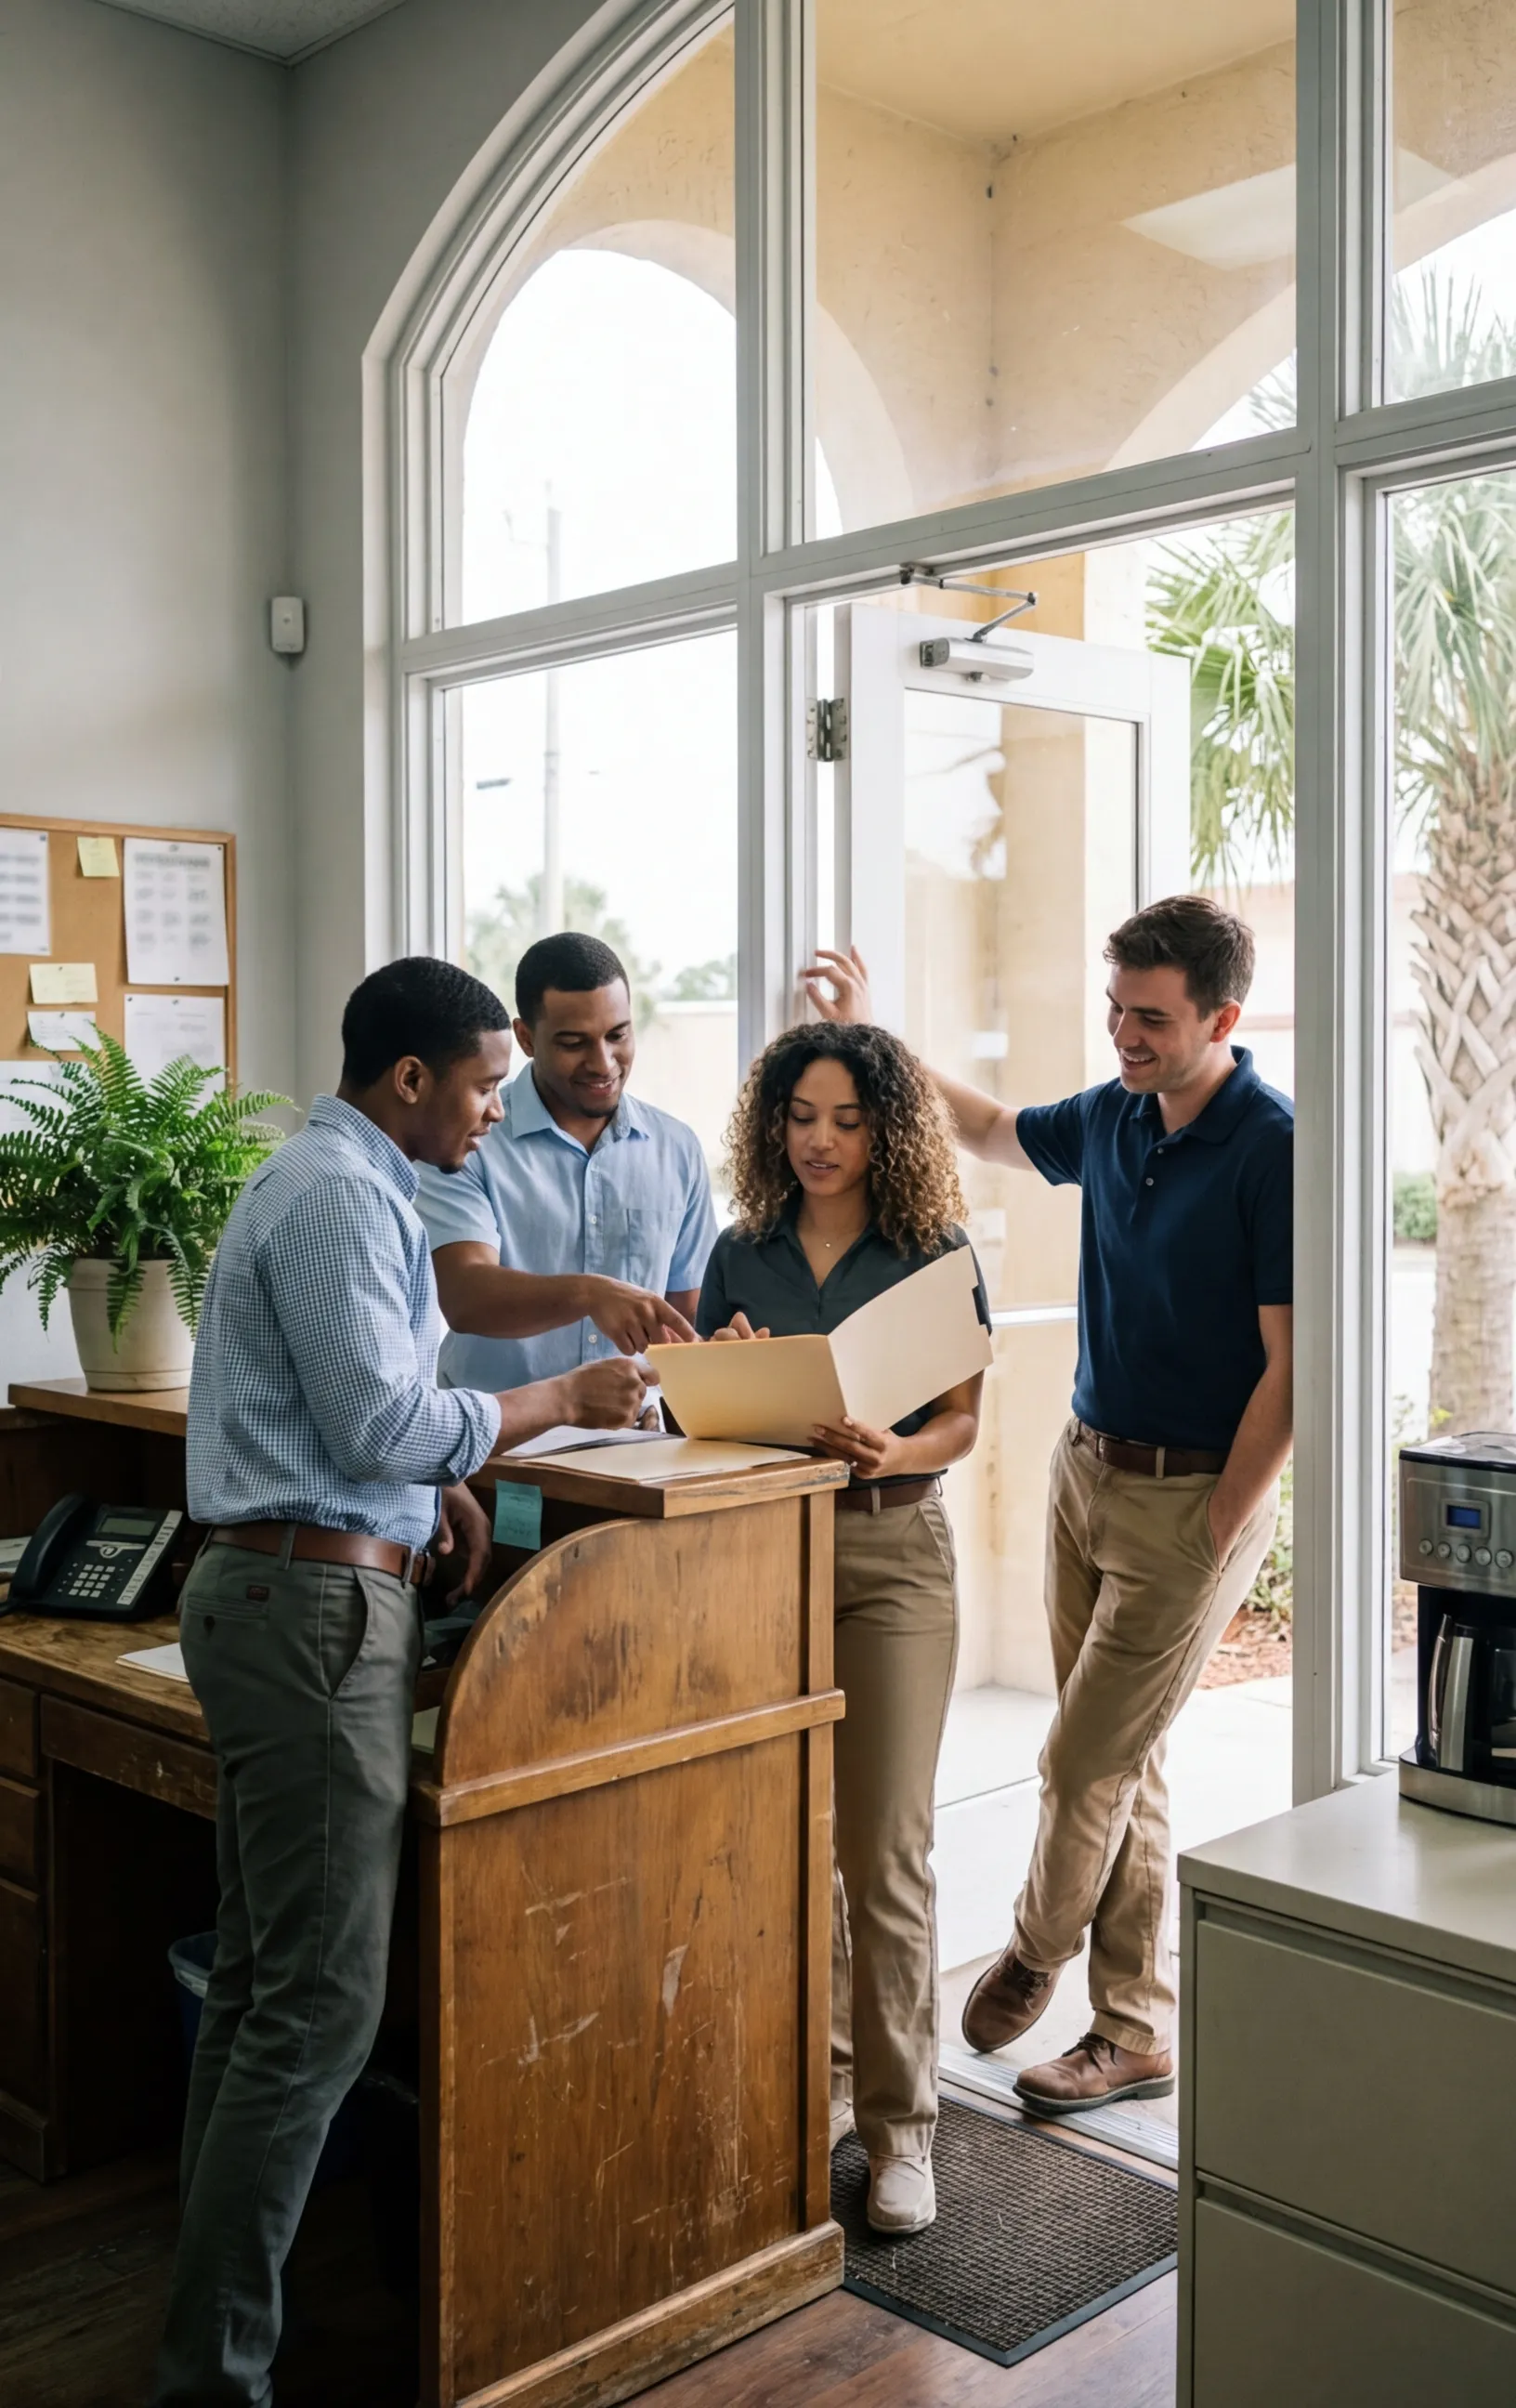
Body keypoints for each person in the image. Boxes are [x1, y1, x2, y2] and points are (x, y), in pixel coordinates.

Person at [152, 957, 646, 2408]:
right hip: (309, 1610)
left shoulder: (336, 1181)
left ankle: (210, 2342)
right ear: (412, 1079)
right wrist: (553, 1399)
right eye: (487, 1082)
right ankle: (215, 2376)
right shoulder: (341, 1194)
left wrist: (435, 1492)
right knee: (318, 2010)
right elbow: (378, 1418)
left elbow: (354, 1420)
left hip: (294, 1583)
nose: (499, 1108)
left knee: (261, 1992)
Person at [802, 896, 1292, 2116]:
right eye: (1116, 1009)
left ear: (1222, 1018)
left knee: (1080, 1763)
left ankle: (1033, 1947)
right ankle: (1134, 2031)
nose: (1124, 1035)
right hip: (1088, 1472)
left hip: (1194, 1499)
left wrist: (1222, 1523)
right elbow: (981, 1127)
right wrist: (873, 1038)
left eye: (1152, 1018)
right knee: (1127, 1763)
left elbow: (1293, 1370)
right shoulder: (1116, 1114)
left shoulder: (1273, 1145)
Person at [698, 1021, 985, 2236]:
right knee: (790, 1843)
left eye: (847, 1120)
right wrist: (723, 1375)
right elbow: (698, 1419)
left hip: (892, 1554)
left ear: (887, 1129)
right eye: (801, 1117)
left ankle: (905, 2129)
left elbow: (962, 1422)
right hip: (769, 1555)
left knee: (887, 1851)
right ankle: (821, 2093)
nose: (819, 1141)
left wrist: (894, 1448)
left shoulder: (934, 1249)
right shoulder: (740, 1251)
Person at [415, 931, 718, 1386]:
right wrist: (590, 1293)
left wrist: (723, 1353)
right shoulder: (468, 1141)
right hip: (497, 1429)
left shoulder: (677, 1149)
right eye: (574, 1043)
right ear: (526, 1038)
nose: (603, 1063)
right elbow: (465, 1296)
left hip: (638, 1427)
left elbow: (686, 1320)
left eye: (617, 1035)